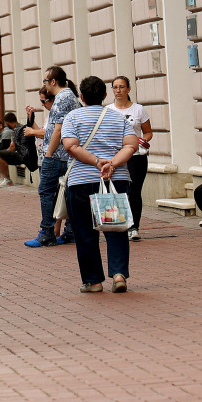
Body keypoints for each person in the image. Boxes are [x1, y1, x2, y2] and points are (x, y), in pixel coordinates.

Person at [61, 76, 138, 293]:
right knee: (117, 227)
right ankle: (119, 274)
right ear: (105, 95)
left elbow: (70, 146)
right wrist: (112, 163)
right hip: (115, 180)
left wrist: (97, 162)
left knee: (84, 232)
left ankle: (93, 281)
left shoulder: (72, 117)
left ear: (81, 96)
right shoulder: (118, 117)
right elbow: (131, 146)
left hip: (81, 181)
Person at [27, 66, 81, 248]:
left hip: (58, 155)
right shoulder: (69, 96)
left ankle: (47, 232)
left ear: (53, 81)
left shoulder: (62, 98)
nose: (44, 84)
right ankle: (70, 231)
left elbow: (58, 129)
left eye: (45, 81)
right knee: (65, 193)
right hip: (67, 155)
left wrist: (49, 153)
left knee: (46, 192)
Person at [108, 77, 152, 241]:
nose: (118, 90)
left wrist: (143, 140)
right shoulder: (108, 110)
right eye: (115, 87)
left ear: (128, 89)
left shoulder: (138, 109)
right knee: (117, 190)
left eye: (121, 87)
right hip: (115, 157)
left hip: (136, 157)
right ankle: (119, 224)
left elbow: (148, 132)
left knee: (134, 191)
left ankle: (134, 227)